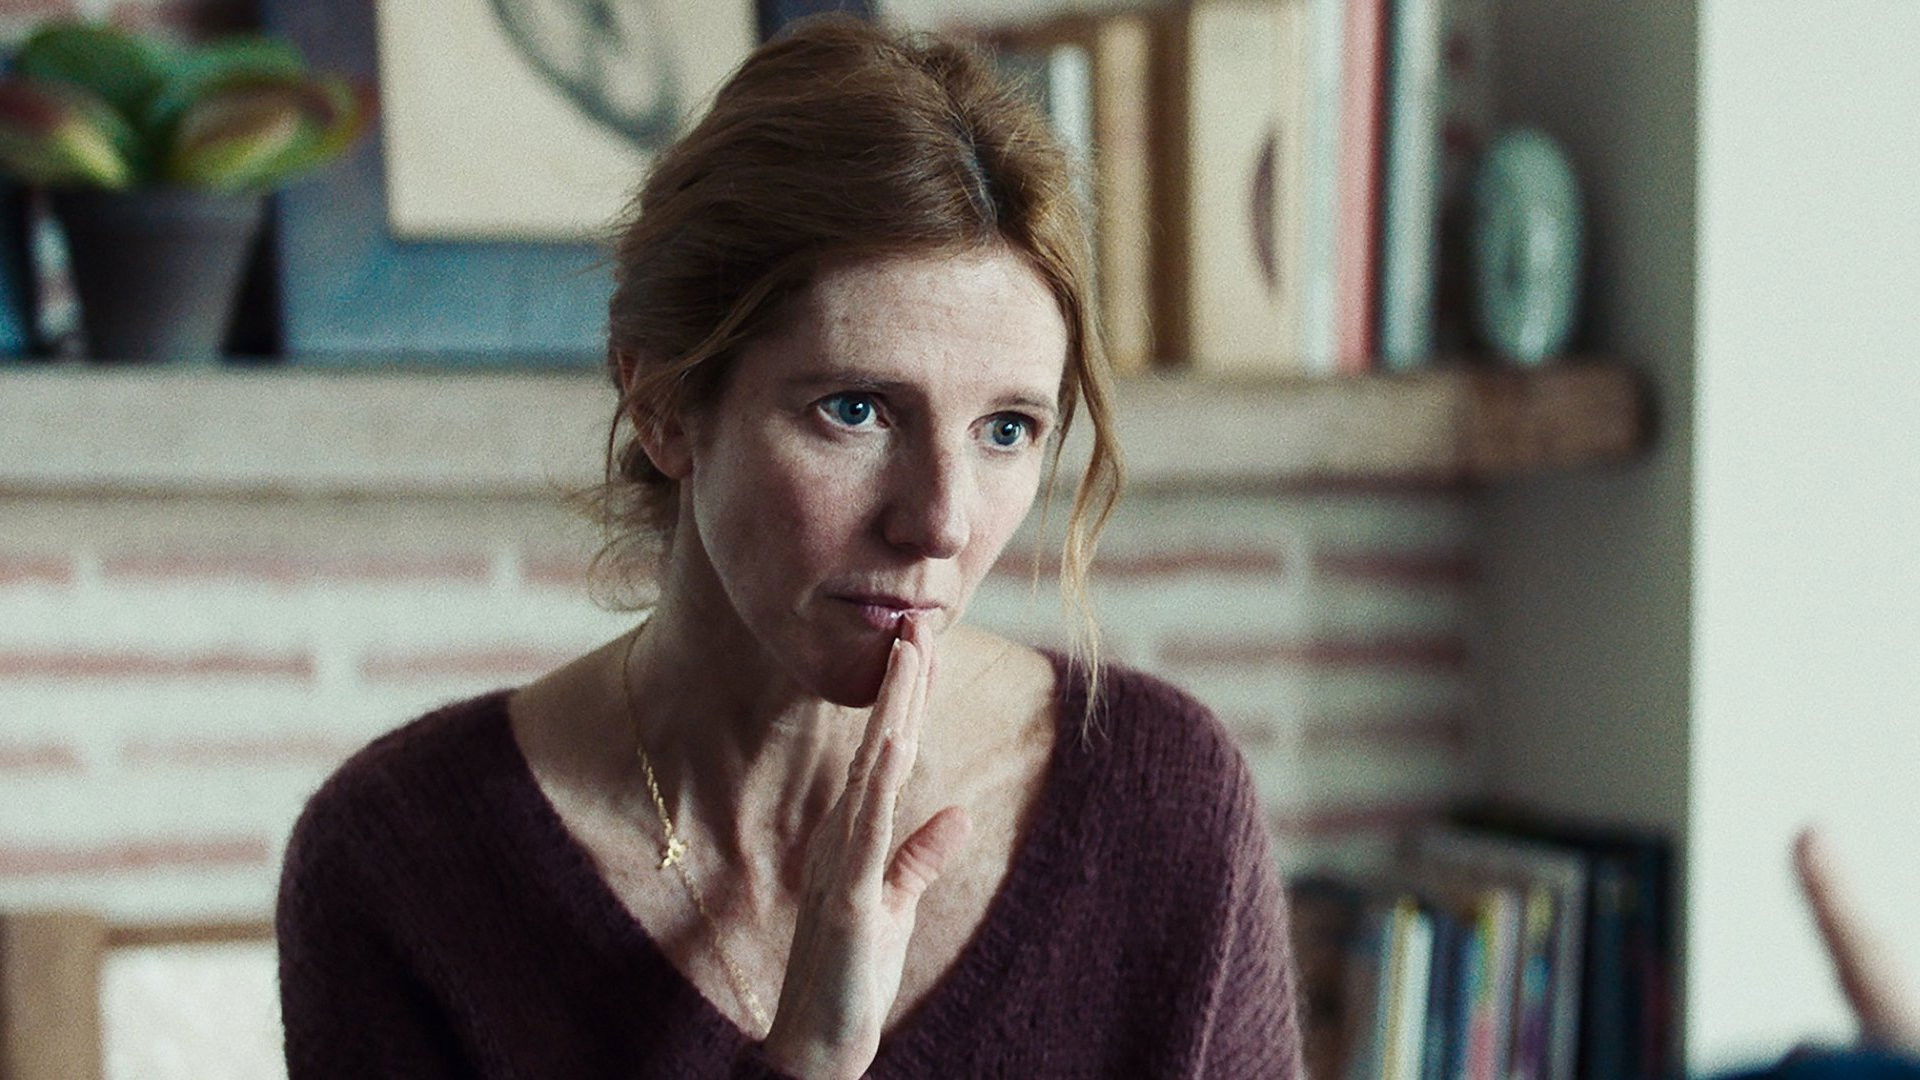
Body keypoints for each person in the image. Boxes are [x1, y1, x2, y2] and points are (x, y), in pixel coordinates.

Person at [274, 14, 1305, 1079]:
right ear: (664, 404)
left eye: (1007, 429)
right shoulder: (404, 859)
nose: (941, 521)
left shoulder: (1159, 801)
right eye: (856, 410)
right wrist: (809, 1059)